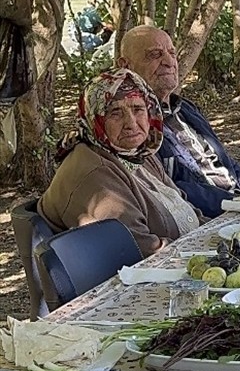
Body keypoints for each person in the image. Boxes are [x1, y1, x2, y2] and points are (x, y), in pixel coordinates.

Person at [38, 68, 201, 256]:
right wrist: (204, 250)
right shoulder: (93, 172)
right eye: (115, 113)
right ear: (95, 119)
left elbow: (188, 210)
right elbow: (140, 249)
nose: (131, 123)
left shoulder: (136, 153)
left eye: (138, 109)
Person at [117, 26, 240, 218]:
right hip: (210, 219)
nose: (169, 62)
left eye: (172, 53)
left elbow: (227, 166)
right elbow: (169, 190)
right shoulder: (132, 126)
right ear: (125, 65)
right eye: (155, 54)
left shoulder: (185, 109)